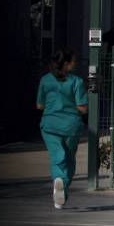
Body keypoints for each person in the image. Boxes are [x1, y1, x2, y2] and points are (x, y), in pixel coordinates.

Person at [36, 48, 88, 209]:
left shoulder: (45, 80)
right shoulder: (76, 82)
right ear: (66, 64)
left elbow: (39, 105)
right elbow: (82, 108)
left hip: (50, 125)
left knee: (57, 155)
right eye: (73, 61)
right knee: (69, 158)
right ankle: (63, 184)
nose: (75, 64)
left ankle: (58, 180)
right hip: (70, 126)